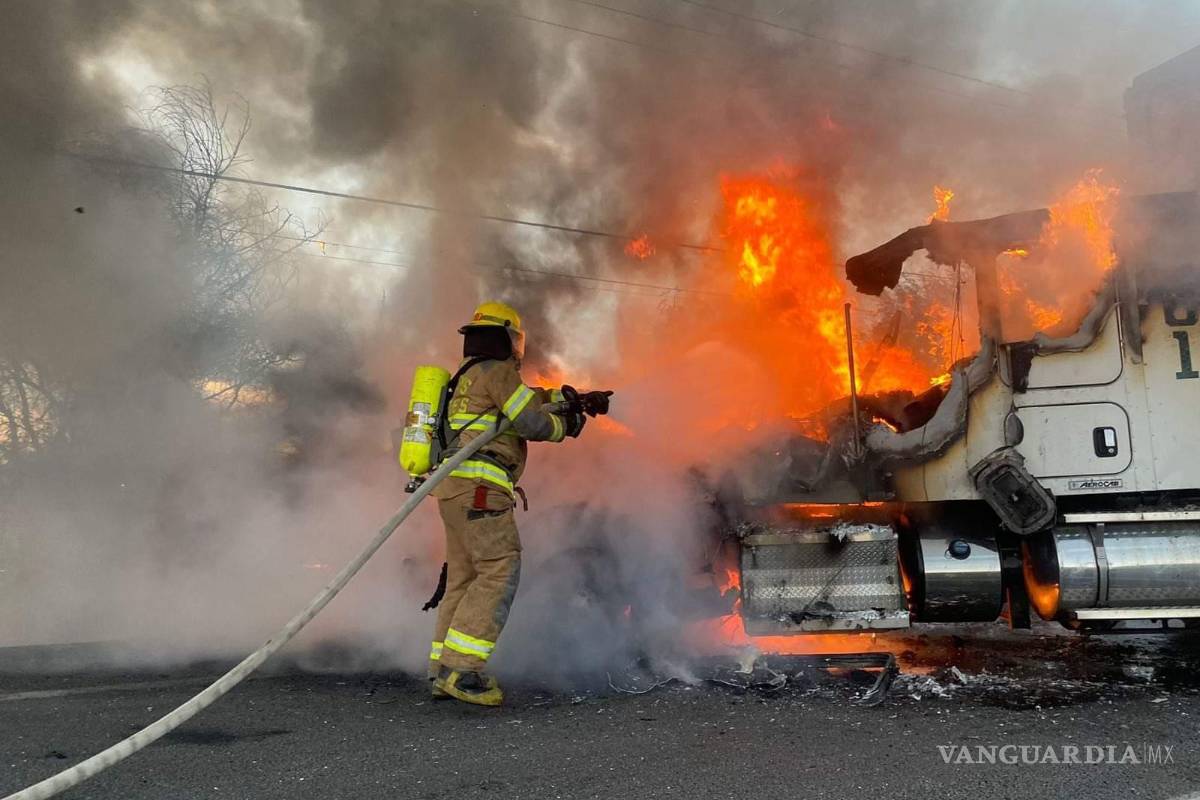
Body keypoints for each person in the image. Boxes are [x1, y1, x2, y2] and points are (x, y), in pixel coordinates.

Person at [428, 301, 611, 706]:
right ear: (509, 339)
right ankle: (464, 671)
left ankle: (443, 668)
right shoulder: (499, 373)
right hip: (482, 488)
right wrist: (568, 425)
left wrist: (575, 399)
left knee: (464, 576)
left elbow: (525, 402)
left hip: (453, 489)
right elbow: (529, 421)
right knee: (499, 569)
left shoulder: (467, 378)